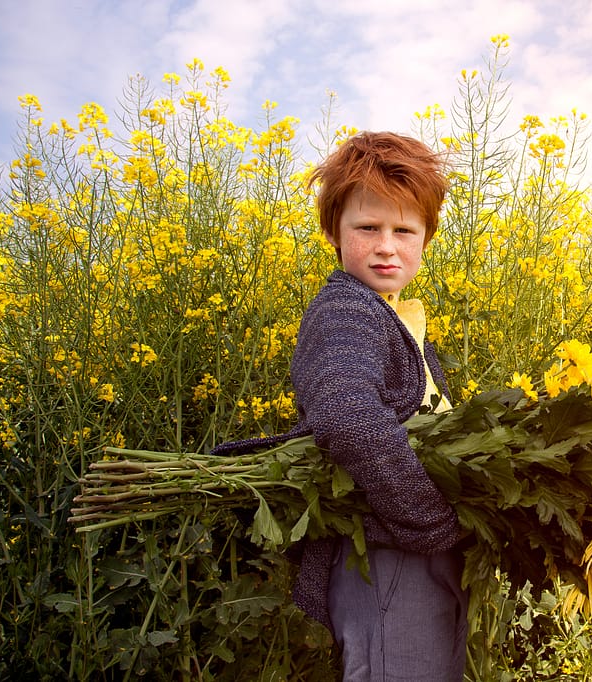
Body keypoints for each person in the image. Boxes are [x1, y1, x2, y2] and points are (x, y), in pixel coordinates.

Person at [217, 131, 467, 680]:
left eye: (405, 230)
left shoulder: (397, 315)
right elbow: (348, 416)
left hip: (406, 546)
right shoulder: (347, 310)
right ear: (334, 232)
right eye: (367, 228)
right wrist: (433, 523)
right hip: (386, 554)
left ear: (427, 238)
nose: (387, 246)